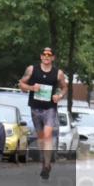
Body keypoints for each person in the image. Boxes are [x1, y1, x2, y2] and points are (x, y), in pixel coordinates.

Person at [19, 46, 69, 179]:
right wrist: (31, 87)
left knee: (47, 135)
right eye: (44, 54)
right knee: (41, 138)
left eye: (49, 55)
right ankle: (44, 162)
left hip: (50, 109)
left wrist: (59, 96)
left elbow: (64, 88)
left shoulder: (58, 73)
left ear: (53, 57)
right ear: (41, 56)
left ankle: (47, 165)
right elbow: (21, 84)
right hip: (35, 109)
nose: (46, 57)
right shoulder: (32, 69)